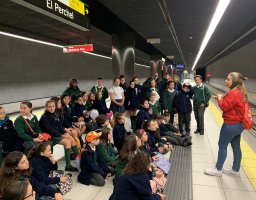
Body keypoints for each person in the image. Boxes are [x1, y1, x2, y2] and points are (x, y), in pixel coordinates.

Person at [204, 72, 248, 177]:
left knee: (222, 145)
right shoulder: (239, 91)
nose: (226, 81)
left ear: (234, 82)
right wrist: (221, 98)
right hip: (239, 124)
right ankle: (235, 169)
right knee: (236, 146)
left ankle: (218, 169)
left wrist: (219, 98)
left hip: (231, 124)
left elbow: (224, 107)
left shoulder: (234, 93)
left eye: (228, 79)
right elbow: (231, 103)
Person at [39, 100, 78, 172]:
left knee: (71, 139)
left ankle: (79, 158)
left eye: (53, 106)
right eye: (49, 107)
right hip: (50, 137)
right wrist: (62, 135)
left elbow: (59, 126)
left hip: (56, 135)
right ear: (46, 107)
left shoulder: (54, 114)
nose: (52, 108)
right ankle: (68, 166)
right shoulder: (44, 118)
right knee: (67, 142)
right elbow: (50, 130)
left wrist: (64, 132)